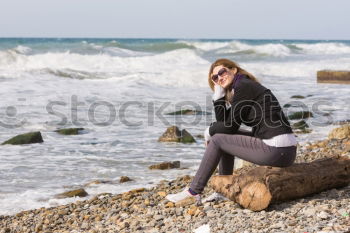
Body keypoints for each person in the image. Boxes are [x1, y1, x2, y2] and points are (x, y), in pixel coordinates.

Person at [165, 58, 297, 203]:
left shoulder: (244, 86)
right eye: (215, 78)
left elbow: (230, 126)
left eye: (222, 72)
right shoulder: (243, 86)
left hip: (277, 150)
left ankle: (193, 191)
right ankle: (224, 190)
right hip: (283, 149)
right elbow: (225, 124)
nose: (219, 77)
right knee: (221, 136)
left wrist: (208, 132)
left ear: (233, 69)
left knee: (217, 139)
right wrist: (218, 95)